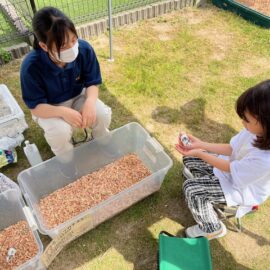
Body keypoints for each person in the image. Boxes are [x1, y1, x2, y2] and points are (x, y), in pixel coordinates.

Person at [175, 80, 270, 239]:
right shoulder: (255, 131)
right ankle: (206, 191)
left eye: (246, 119)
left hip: (243, 189)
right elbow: (231, 148)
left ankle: (212, 228)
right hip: (232, 171)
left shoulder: (265, 160)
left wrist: (201, 153)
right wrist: (201, 144)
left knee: (191, 189)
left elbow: (230, 168)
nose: (242, 122)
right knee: (189, 161)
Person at [20, 7, 111, 157]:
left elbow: (92, 83)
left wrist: (90, 102)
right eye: (62, 46)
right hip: (49, 107)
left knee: (101, 114)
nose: (71, 47)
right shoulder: (31, 67)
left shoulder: (84, 49)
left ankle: (102, 142)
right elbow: (36, 108)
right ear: (44, 46)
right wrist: (62, 111)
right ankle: (66, 161)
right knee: (60, 132)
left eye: (74, 39)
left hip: (77, 95)